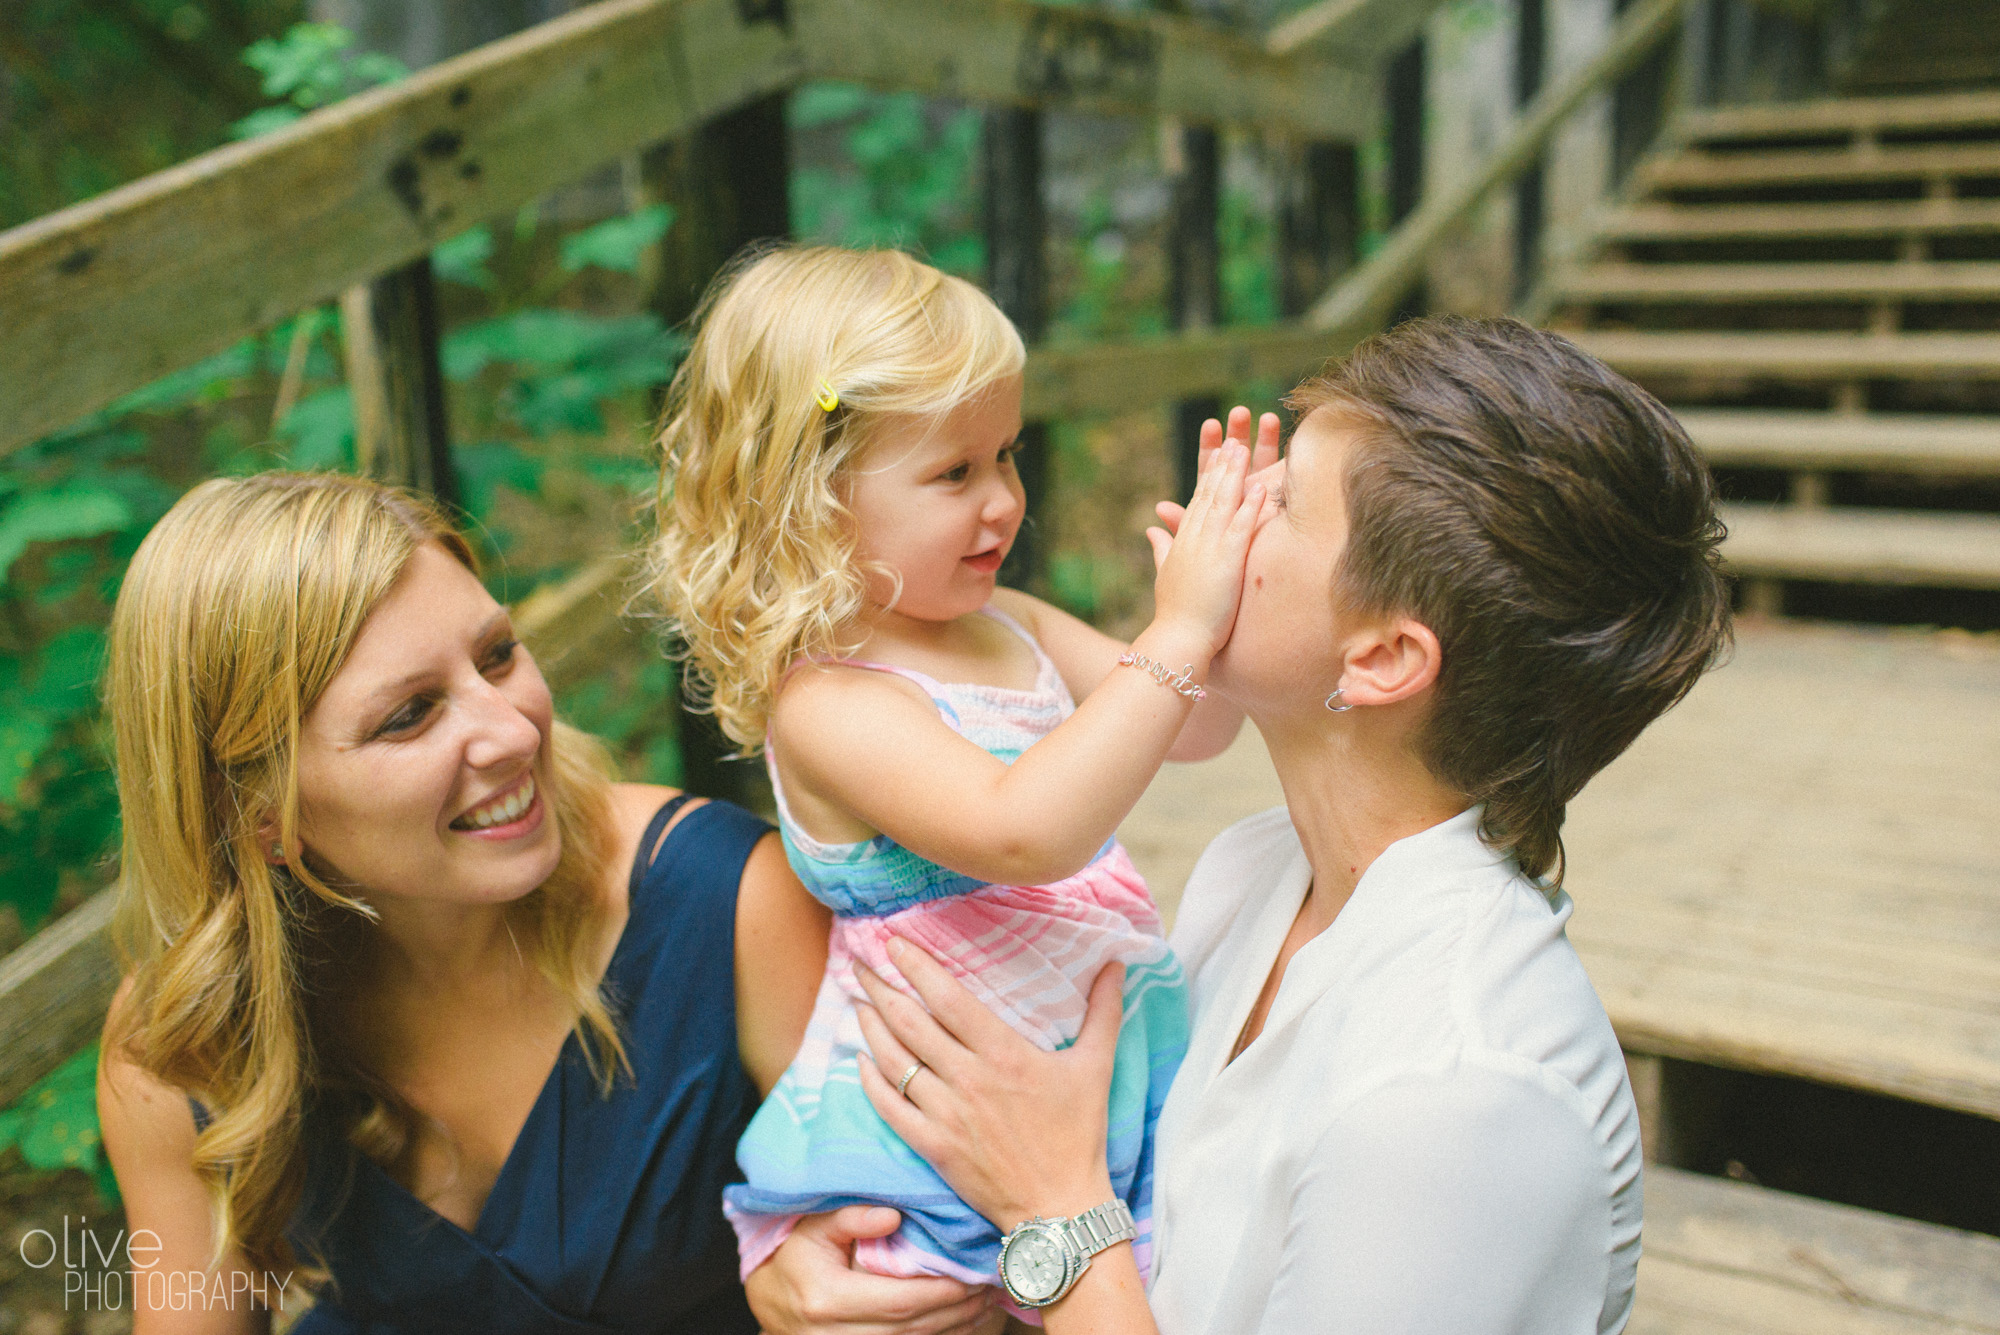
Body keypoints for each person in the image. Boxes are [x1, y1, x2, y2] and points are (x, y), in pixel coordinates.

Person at [762, 315, 1733, 1333]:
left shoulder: (1452, 1094)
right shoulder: (1255, 872)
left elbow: (1071, 1206)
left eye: (1276, 502)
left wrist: (1050, 1209)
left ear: (1381, 660)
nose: (1218, 509)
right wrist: (825, 1276)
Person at [95, 472, 996, 1335]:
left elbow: (963, 1240)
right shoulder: (184, 1039)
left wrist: (817, 1274)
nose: (513, 728)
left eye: (497, 655)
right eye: (409, 714)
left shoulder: (719, 901)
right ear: (258, 816)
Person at [646, 245, 1266, 1309]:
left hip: (1092, 1066)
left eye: (1007, 457)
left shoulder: (1006, 625)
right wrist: (1175, 630)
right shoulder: (830, 701)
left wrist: (1224, 612)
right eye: (953, 473)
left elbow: (1192, 731)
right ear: (810, 494)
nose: (1002, 503)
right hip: (938, 1126)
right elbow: (1025, 831)